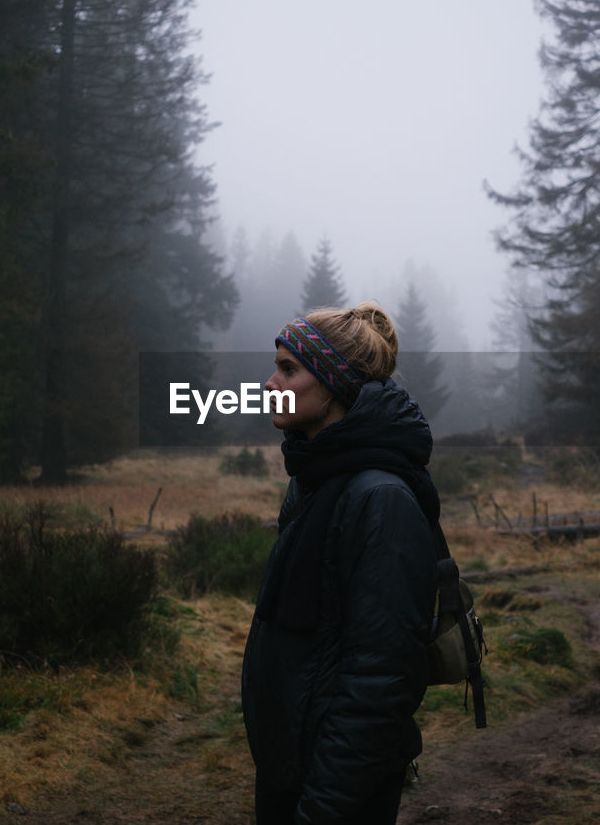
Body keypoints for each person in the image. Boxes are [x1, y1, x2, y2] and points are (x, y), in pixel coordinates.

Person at [240, 302, 440, 824]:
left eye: (288, 369)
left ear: (332, 384)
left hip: (339, 788)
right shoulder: (314, 480)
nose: (270, 383)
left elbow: (380, 681)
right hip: (296, 765)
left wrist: (324, 807)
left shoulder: (380, 499)